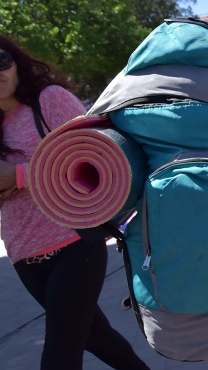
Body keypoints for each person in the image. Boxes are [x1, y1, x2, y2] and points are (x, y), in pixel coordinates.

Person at [0, 35, 150, 370]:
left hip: (74, 242)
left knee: (60, 353)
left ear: (16, 61)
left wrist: (21, 176)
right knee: (98, 338)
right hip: (23, 253)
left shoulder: (49, 100)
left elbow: (96, 161)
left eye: (2, 60)